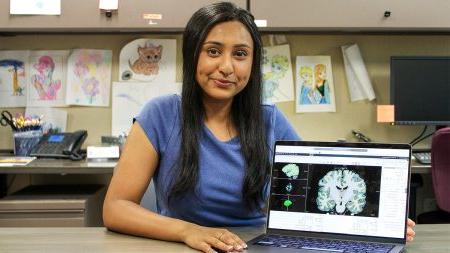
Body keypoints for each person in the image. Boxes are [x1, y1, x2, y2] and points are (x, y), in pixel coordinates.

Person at [102, 2, 416, 253]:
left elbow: (308, 200)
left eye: (240, 54)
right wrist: (188, 231)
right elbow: (115, 208)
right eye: (213, 51)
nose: (226, 67)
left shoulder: (270, 120)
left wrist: (377, 222)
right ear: (192, 55)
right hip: (186, 246)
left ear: (252, 64)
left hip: (254, 246)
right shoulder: (161, 114)